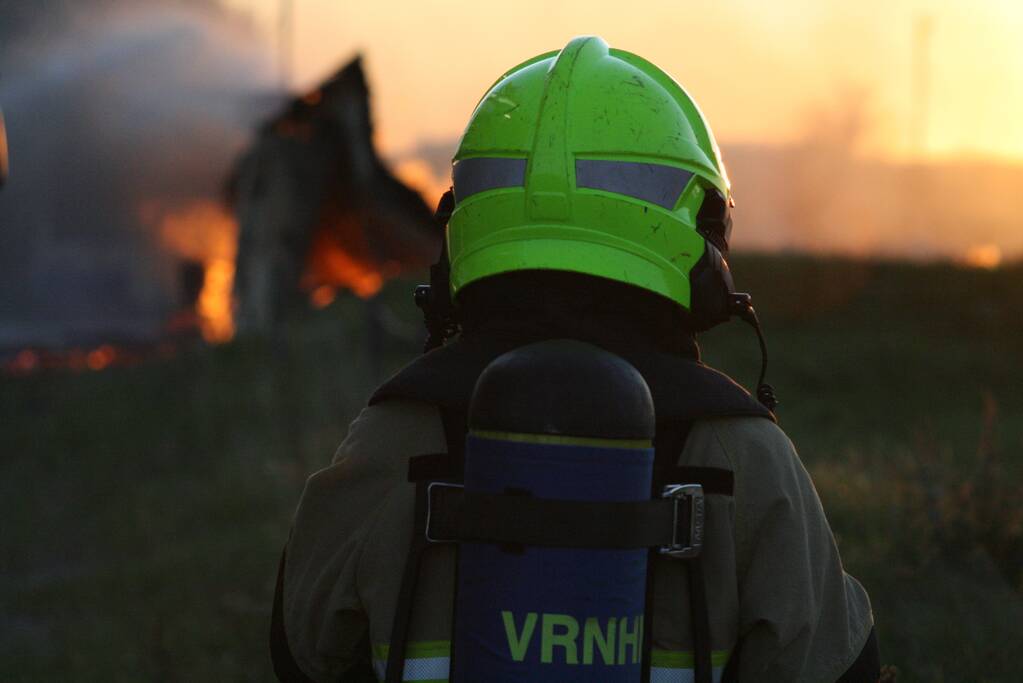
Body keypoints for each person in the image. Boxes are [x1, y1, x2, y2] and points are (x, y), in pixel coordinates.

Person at [271, 35, 880, 683]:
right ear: (698, 245)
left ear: (462, 232)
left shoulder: (393, 436)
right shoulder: (743, 454)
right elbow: (836, 668)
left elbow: (300, 652)